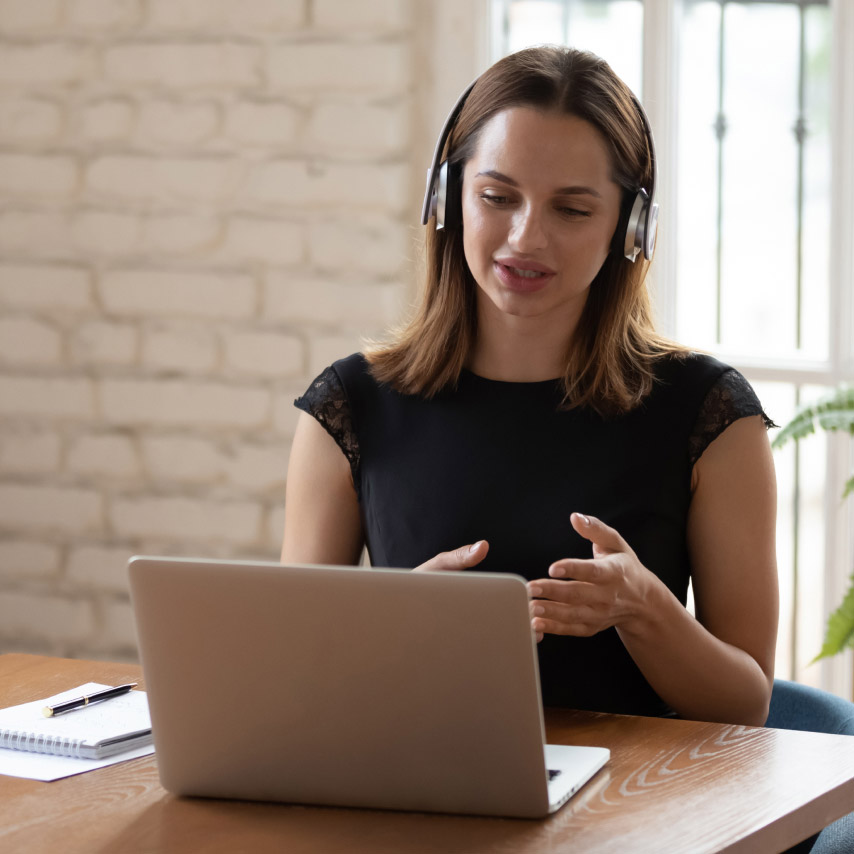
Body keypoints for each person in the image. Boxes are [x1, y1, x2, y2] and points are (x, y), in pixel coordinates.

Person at [283, 46, 779, 728]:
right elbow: (291, 678)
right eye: (497, 196)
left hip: (635, 818)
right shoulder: (349, 407)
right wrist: (388, 628)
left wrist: (644, 608)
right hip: (417, 802)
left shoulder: (711, 415)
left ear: (630, 230)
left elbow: (747, 704)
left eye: (572, 210)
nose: (525, 237)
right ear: (447, 198)